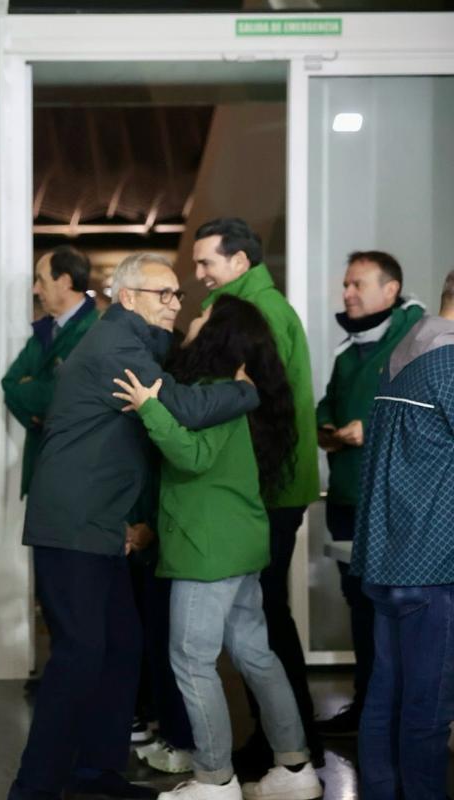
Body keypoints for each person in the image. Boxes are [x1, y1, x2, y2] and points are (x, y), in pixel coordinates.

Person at [10, 253, 260, 800]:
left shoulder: (136, 342)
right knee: (79, 656)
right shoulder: (117, 348)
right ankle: (33, 788)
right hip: (73, 524)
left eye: (177, 295)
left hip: (99, 524)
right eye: (163, 294)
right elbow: (185, 408)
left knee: (121, 646)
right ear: (128, 299)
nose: (175, 303)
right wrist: (247, 390)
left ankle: (96, 772)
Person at [114, 295, 323, 800]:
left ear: (220, 333)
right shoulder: (238, 390)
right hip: (239, 544)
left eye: (205, 315)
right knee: (256, 655)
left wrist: (150, 409)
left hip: (207, 550)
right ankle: (295, 770)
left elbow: (193, 457)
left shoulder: (215, 390)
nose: (193, 317)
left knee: (191, 660)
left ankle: (214, 779)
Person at [191, 218, 323, 766]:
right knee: (261, 618)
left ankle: (287, 745)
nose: (199, 275)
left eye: (207, 264)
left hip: (264, 488)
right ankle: (287, 742)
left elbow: (242, 403)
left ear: (239, 263)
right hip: (273, 485)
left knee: (261, 621)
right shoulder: (263, 305)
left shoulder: (250, 313)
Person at [351, 269, 454, 800]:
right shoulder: (452, 364)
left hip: (387, 561)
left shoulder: (402, 360)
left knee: (385, 699)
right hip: (433, 568)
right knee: (428, 711)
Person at [315, 250, 423, 736]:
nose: (347, 293)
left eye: (357, 284)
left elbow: (428, 413)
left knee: (395, 609)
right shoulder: (349, 348)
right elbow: (326, 403)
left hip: (391, 500)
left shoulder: (420, 337)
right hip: (346, 496)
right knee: (358, 605)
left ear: (391, 289)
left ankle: (395, 712)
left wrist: (370, 428)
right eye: (345, 285)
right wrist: (326, 427)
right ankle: (367, 707)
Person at [1, 245, 99, 498]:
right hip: (42, 468)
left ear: (64, 282)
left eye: (41, 281)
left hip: (77, 474)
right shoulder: (44, 330)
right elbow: (10, 384)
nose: (35, 289)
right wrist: (39, 417)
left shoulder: (95, 332)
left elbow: (62, 394)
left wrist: (33, 389)